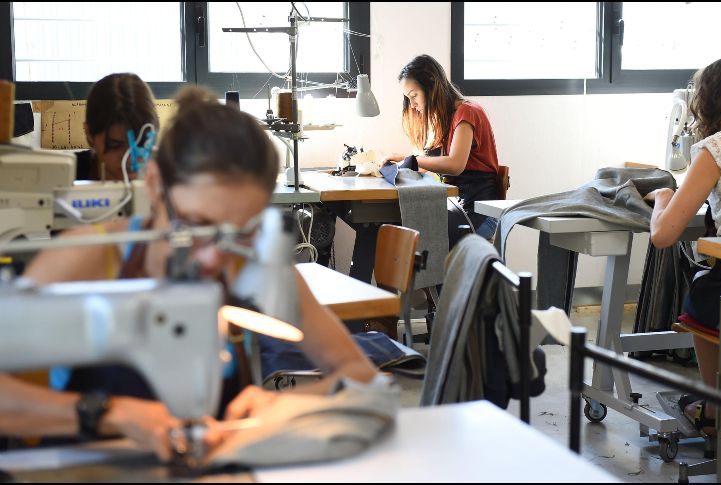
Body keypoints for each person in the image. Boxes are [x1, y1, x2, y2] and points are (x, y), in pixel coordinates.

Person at [0, 87, 377, 460]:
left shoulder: (253, 266)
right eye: (196, 225)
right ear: (154, 186)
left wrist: (286, 404)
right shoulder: (88, 258)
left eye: (241, 232)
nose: (214, 257)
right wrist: (109, 414)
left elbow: (360, 374)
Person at [645, 53, 721, 436]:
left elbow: (664, 235)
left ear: (708, 102)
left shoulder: (718, 148)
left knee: (704, 289)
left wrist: (665, 197)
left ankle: (716, 408)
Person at [381, 54, 501, 247]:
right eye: (408, 98)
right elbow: (428, 165)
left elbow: (455, 165)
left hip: (479, 213)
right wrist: (401, 162)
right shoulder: (444, 120)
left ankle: (431, 278)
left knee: (410, 236)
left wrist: (411, 159)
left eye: (414, 96)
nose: (412, 105)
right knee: (399, 227)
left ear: (431, 86)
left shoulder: (467, 112)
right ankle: (426, 277)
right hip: (458, 206)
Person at [76, 73, 159, 181]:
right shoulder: (63, 172)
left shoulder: (173, 177)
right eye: (115, 145)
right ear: (89, 134)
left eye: (141, 143)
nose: (129, 159)